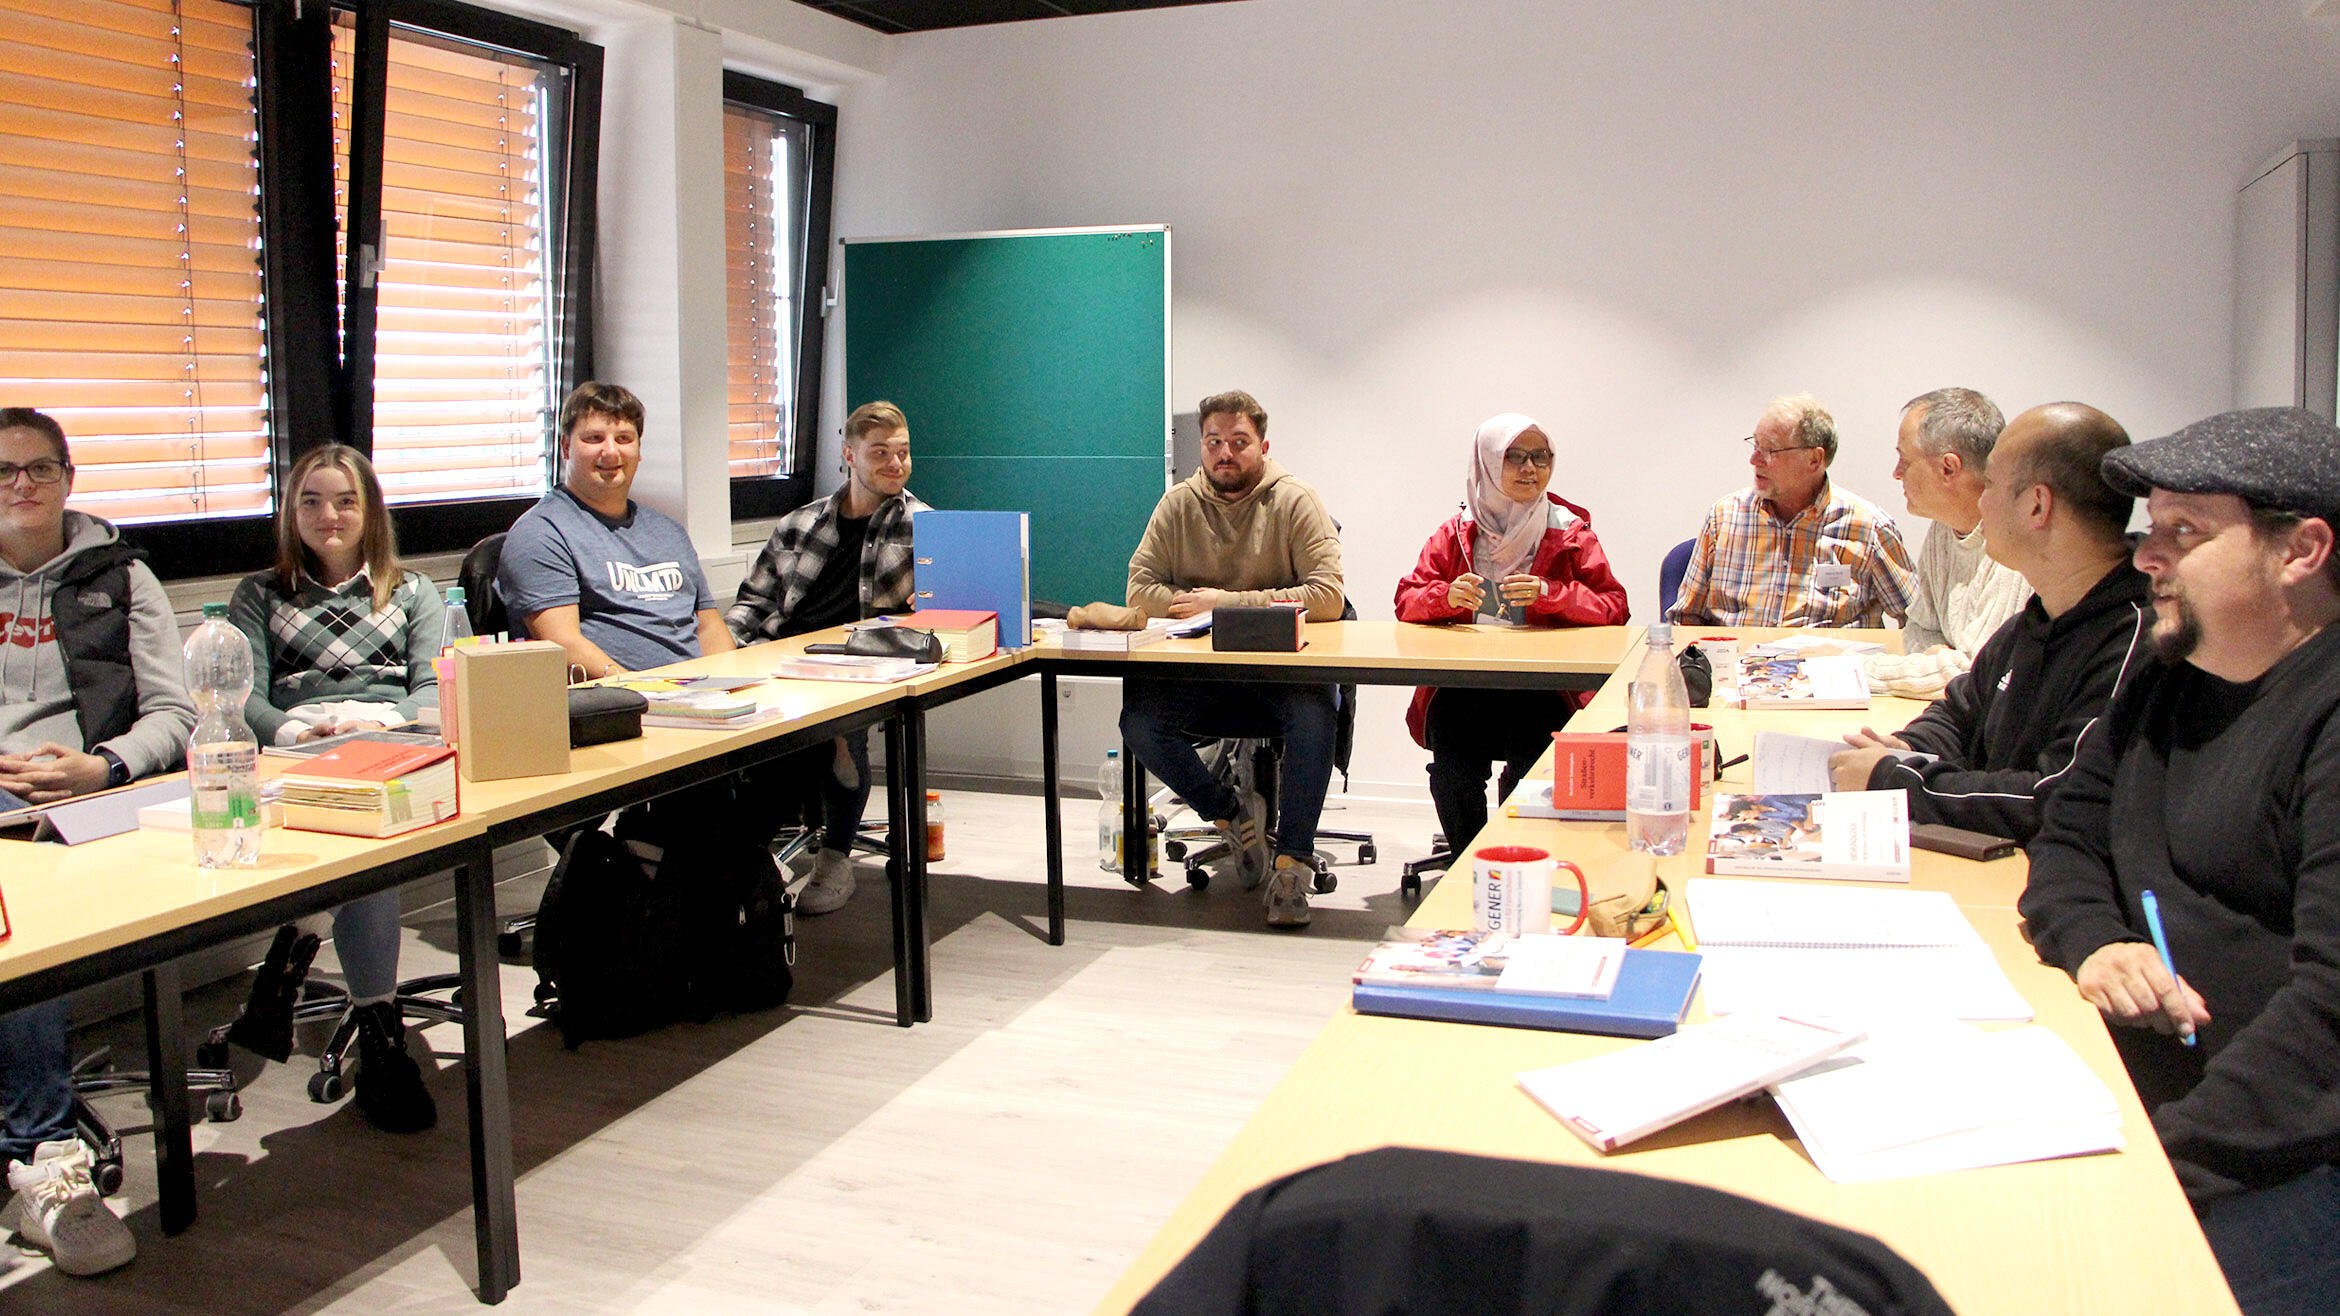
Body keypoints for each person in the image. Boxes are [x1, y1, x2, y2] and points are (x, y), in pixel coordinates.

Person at [2016, 407, 2340, 1315]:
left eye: (2183, 532)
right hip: (2153, 1095)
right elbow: (2069, 836)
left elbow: (2330, 1024)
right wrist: (2097, 942)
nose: (2147, 557)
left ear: (2301, 550)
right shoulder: (2172, 672)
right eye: (2149, 530)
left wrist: (2160, 1164)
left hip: (2276, 1154)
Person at [0, 407, 193, 1276]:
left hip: (91, 802)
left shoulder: (121, 577)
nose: (22, 486)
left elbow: (176, 714)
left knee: (23, 918)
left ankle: (46, 1161)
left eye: (38, 469)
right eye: (3, 473)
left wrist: (101, 767)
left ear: (68, 479)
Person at [220, 443, 442, 1132]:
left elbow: (431, 690)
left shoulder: (411, 592)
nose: (329, 515)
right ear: (292, 512)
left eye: (345, 500)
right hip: (298, 755)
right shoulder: (259, 594)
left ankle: (299, 943)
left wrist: (377, 720)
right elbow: (243, 697)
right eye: (311, 501)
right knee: (364, 846)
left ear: (370, 510)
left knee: (366, 832)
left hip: (390, 746)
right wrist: (290, 733)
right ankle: (380, 1033)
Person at [1827, 403, 2147, 841]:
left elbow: (2054, 793)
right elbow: (1961, 711)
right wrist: (1907, 748)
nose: (1980, 500)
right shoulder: (2044, 612)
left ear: (2037, 506)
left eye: (1991, 483)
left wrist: (1898, 781)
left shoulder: (2131, 640)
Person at [1123, 389, 1343, 928]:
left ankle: (1291, 863)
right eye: (1214, 442)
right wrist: (1193, 607)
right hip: (1204, 672)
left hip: (1281, 672)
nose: (1225, 453)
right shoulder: (1178, 504)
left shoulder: (1294, 500)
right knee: (1141, 722)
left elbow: (1328, 596)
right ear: (1200, 447)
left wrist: (1225, 604)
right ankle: (1227, 810)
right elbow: (1138, 591)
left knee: (1315, 717)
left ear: (1262, 446)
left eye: (1239, 442)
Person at [726, 401, 929, 914]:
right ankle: (740, 855)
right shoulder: (799, 523)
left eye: (902, 453)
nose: (894, 464)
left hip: (857, 661)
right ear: (848, 456)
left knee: (844, 720)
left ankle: (835, 856)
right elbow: (754, 601)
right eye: (879, 452)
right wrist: (719, 657)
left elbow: (946, 614)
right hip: (780, 654)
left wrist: (928, 606)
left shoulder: (926, 527)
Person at [1392, 413, 1629, 853]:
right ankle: (1469, 863)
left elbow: (1615, 606)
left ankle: (1518, 861)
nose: (1530, 469)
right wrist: (1446, 597)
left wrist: (1551, 596)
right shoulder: (1458, 531)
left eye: (1541, 457)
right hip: (1466, 682)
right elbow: (1407, 598)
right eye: (1515, 457)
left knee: (1530, 775)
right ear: (1486, 462)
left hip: (1542, 687)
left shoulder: (1570, 532)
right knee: (1453, 774)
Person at [497, 381, 733, 679]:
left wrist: (726, 685)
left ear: (639, 449)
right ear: (566, 447)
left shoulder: (669, 532)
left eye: (623, 438)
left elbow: (709, 627)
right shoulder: (540, 534)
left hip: (700, 696)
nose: (611, 452)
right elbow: (563, 645)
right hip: (619, 705)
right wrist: (647, 693)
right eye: (594, 438)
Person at [1667, 393, 1916, 628]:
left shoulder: (1868, 527)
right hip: (1734, 667)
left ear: (1814, 460)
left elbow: (1919, 620)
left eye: (1770, 450)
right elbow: (1684, 619)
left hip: (1828, 668)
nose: (1754, 459)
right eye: (1755, 445)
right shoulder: (1724, 518)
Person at [1862, 388, 2031, 698]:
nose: (1896, 473)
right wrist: (1939, 659)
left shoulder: (2014, 543)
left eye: (1904, 460)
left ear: (1948, 468)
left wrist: (1858, 672)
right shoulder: (1943, 526)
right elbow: (1919, 628)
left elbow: (1977, 675)